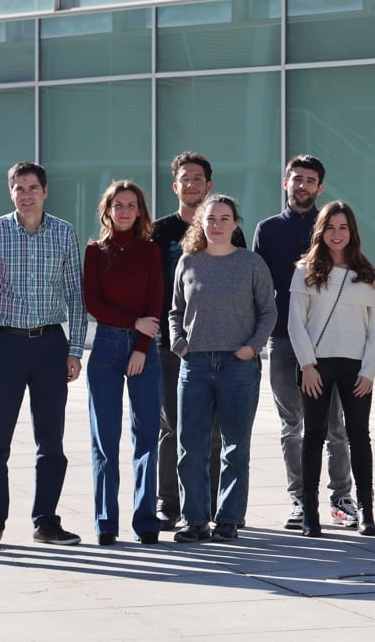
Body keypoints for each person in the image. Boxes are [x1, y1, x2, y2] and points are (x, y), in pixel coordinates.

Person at [0, 161, 88, 548]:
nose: (26, 194)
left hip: (51, 344)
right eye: (19, 188)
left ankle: (46, 522)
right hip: (4, 344)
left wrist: (74, 349)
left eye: (33, 187)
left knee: (51, 441)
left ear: (45, 191)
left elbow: (76, 296)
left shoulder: (63, 233)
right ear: (11, 192)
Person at [253, 156, 356, 530]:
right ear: (285, 182)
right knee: (291, 426)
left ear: (320, 187)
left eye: (310, 180)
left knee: (335, 427)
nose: (303, 185)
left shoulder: (333, 228)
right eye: (297, 179)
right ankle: (300, 500)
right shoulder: (267, 230)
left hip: (328, 343)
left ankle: (342, 499)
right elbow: (259, 289)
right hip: (283, 341)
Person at [168, 194, 276, 543]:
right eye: (210, 219)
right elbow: (174, 311)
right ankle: (194, 520)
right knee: (191, 446)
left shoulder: (251, 263)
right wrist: (179, 343)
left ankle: (228, 519)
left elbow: (268, 312)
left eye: (224, 219)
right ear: (201, 222)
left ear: (235, 223)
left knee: (235, 447)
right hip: (195, 364)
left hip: (237, 366)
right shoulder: (188, 262)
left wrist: (251, 348)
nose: (216, 225)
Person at [151, 153, 244, 529]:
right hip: (173, 345)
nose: (191, 185)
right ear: (175, 186)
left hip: (221, 346)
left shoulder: (228, 229)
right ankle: (168, 503)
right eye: (184, 179)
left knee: (215, 430)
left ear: (209, 185)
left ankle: (209, 505)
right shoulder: (158, 231)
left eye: (198, 179)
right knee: (172, 427)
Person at [290, 201, 375, 537]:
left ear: (352, 232)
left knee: (359, 437)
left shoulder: (369, 277)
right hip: (317, 366)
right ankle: (310, 514)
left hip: (355, 368)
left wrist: (369, 371)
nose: (337, 234)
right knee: (313, 436)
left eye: (343, 227)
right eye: (330, 227)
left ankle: (367, 512)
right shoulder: (304, 271)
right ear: (321, 231)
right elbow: (296, 324)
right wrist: (307, 365)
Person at [84, 181, 163, 546]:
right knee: (105, 439)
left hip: (144, 350)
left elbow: (156, 302)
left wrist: (141, 347)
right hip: (106, 348)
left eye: (132, 204)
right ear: (108, 209)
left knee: (146, 435)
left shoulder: (150, 251)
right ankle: (105, 521)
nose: (125, 210)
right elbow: (93, 303)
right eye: (119, 204)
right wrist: (131, 325)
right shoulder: (94, 251)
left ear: (140, 210)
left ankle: (146, 519)